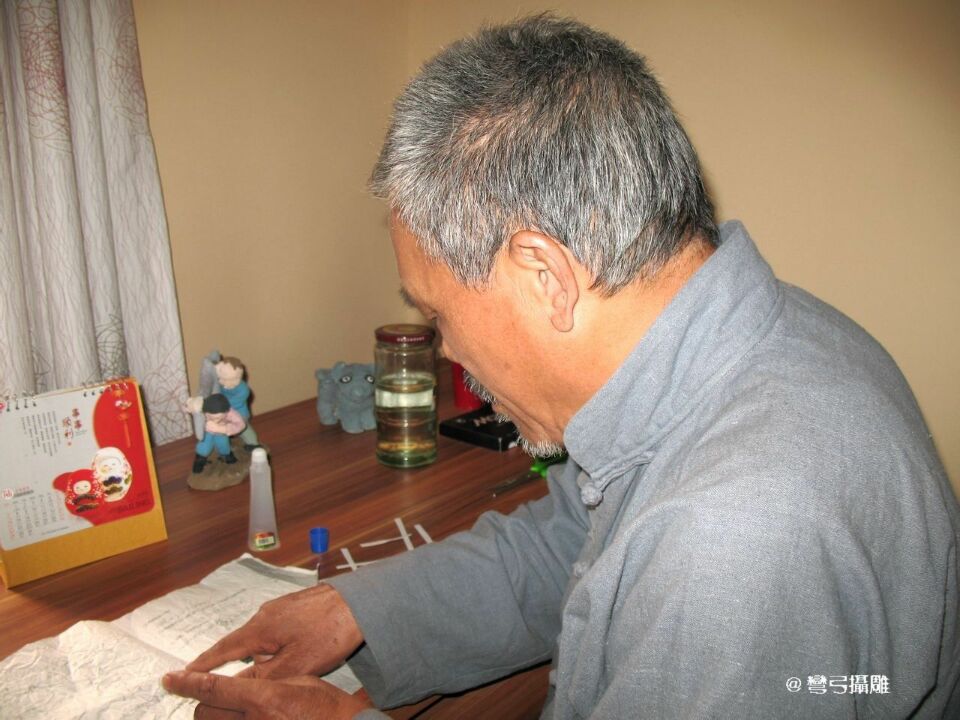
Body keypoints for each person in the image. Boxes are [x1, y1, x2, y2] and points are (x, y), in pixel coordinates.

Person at [163, 15, 960, 719]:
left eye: (438, 316)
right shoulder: (761, 340)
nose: (446, 351)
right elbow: (576, 543)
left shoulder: (730, 541)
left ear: (546, 276)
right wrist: (360, 611)